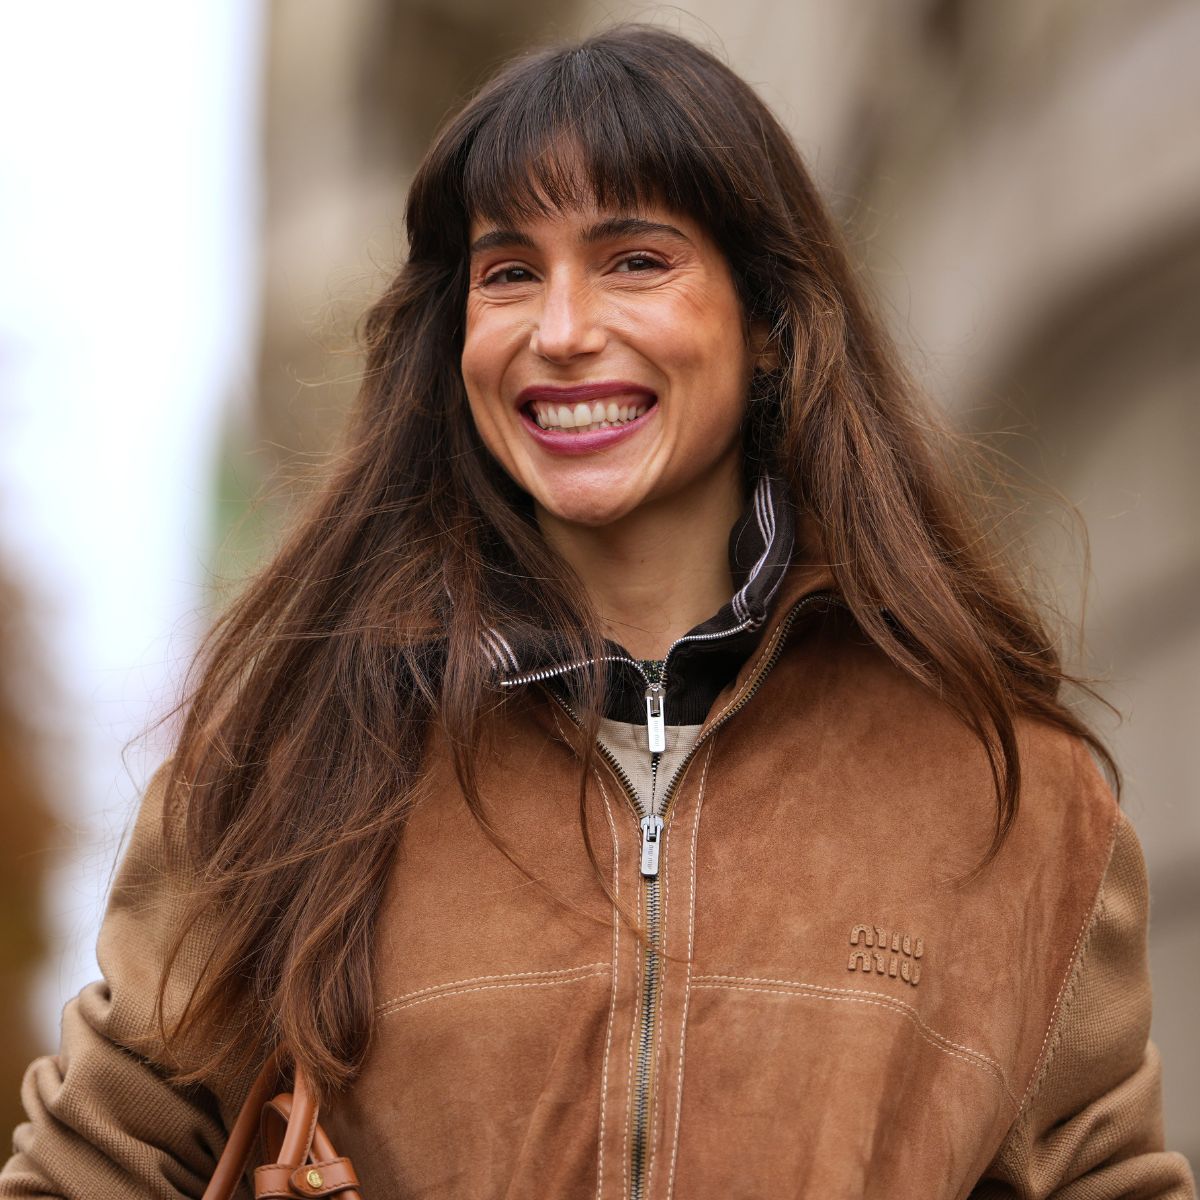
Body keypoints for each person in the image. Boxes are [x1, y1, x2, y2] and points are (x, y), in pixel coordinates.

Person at [1, 24, 1193, 1200]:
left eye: (634, 260)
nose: (563, 333)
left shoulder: (1010, 797)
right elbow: (89, 1169)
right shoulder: (290, 760)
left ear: (770, 325)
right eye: (510, 272)